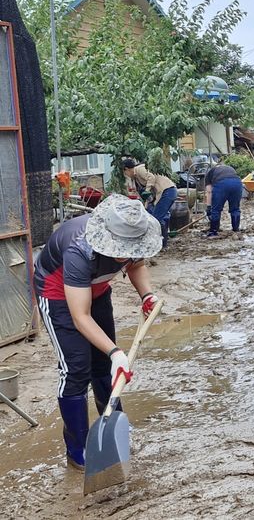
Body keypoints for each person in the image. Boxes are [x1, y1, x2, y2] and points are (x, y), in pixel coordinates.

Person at [33, 194, 162, 470]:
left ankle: (112, 424)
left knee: (104, 366)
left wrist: (147, 296)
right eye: (120, 247)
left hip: (98, 289)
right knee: (77, 368)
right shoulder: (79, 250)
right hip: (57, 295)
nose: (125, 252)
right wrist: (117, 352)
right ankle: (77, 447)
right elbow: (80, 317)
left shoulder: (133, 232)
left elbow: (136, 265)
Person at [123, 159, 177, 249]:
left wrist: (147, 190)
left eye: (125, 173)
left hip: (167, 191)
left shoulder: (140, 169)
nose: (126, 176)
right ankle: (164, 239)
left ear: (127, 169)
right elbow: (146, 198)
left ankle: (161, 244)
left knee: (156, 219)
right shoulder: (136, 179)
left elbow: (151, 177)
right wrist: (145, 207)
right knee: (155, 216)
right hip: (164, 193)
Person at [204, 158, 243, 238]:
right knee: (235, 209)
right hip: (237, 183)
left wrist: (208, 208)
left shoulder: (209, 173)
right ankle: (236, 230)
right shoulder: (230, 168)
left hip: (222, 184)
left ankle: (214, 232)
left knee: (216, 210)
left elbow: (209, 192)